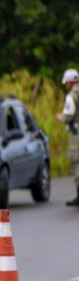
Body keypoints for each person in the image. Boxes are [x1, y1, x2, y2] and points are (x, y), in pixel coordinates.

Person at [57, 68, 79, 206]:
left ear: (70, 83)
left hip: (77, 135)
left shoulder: (72, 95)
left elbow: (68, 115)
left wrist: (61, 117)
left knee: (77, 163)